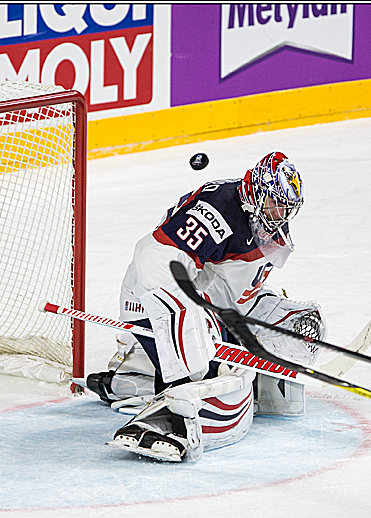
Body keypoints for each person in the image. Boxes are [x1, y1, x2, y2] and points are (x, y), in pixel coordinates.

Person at [86, 151, 325, 462]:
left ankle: (154, 374)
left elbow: (236, 287)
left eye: (285, 208)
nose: (279, 213)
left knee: (301, 325)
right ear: (255, 193)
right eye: (274, 204)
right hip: (151, 303)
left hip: (214, 302)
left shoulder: (265, 222)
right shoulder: (216, 213)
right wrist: (188, 318)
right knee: (209, 366)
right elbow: (153, 261)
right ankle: (165, 401)